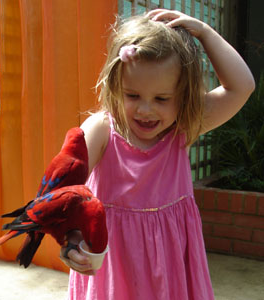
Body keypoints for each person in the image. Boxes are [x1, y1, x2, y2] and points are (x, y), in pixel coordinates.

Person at [60, 9, 255, 300]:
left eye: (162, 99)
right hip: (114, 268)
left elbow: (242, 87)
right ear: (115, 86)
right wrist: (70, 238)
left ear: (183, 96)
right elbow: (62, 190)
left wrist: (205, 32)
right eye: (132, 95)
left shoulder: (184, 128)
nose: (146, 110)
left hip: (170, 270)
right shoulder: (102, 129)